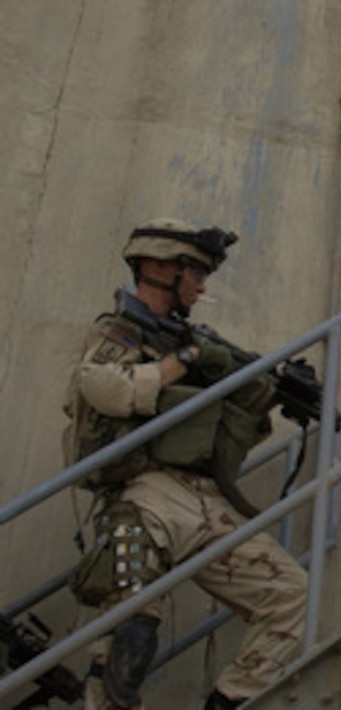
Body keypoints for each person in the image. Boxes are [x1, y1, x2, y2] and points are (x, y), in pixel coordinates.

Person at [62, 218, 308, 708]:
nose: (202, 285)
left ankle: (228, 700)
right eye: (194, 272)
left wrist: (261, 393)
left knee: (289, 593)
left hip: (204, 501)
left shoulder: (191, 338)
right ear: (157, 266)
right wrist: (191, 358)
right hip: (143, 492)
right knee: (129, 637)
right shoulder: (119, 330)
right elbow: (111, 389)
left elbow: (223, 437)